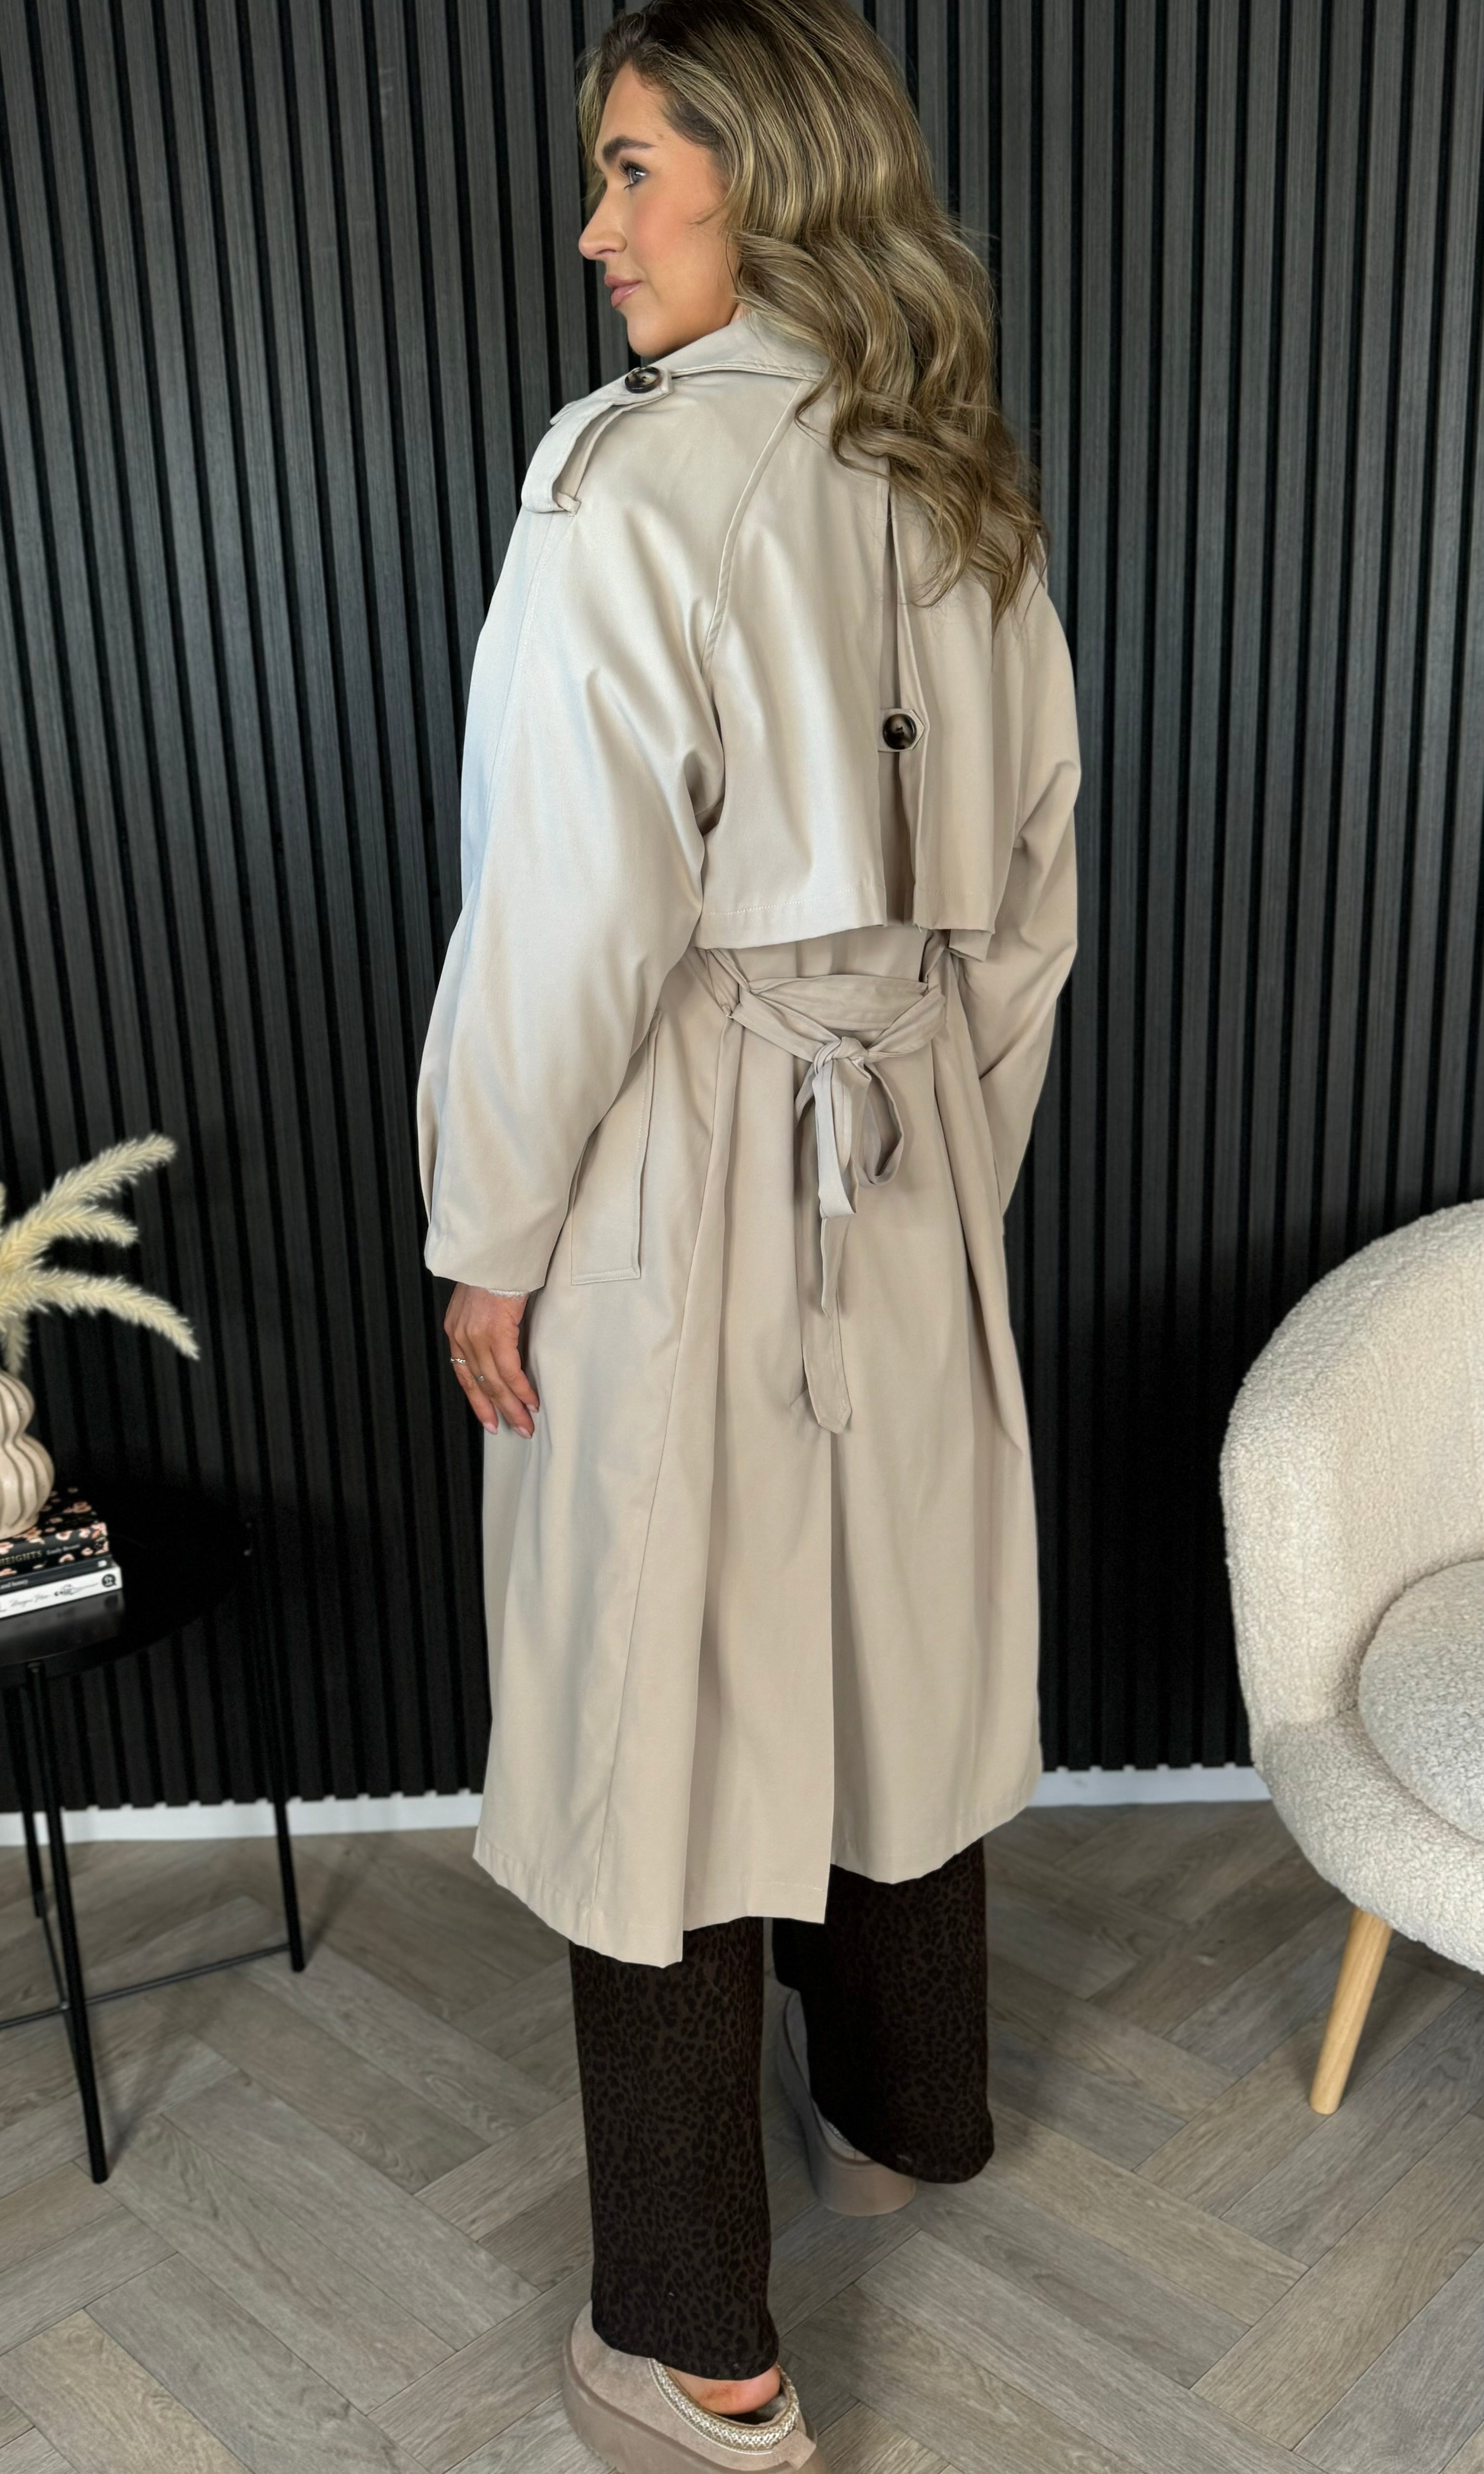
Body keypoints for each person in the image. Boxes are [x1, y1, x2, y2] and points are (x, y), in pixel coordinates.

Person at [415, 1, 1081, 2464]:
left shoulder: (623, 480)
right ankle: (907, 2119)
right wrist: (948, 1167)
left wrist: (491, 1228)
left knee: (662, 1701)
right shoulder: (958, 475)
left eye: (630, 169)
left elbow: (562, 913)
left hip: (692, 1143)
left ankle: (698, 2342)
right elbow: (1033, 902)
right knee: (893, 1627)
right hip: (903, 1130)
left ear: (765, 171)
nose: (592, 229)